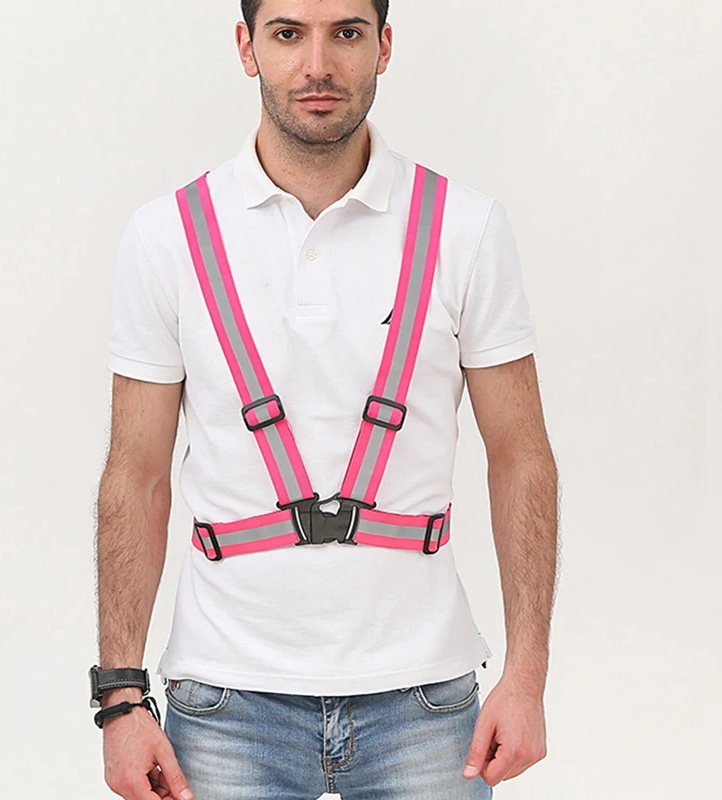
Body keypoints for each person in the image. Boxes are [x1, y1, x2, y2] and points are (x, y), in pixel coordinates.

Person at [92, 1, 558, 798]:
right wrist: (121, 698)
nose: (318, 65)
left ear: (384, 45)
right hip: (224, 697)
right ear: (247, 48)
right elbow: (134, 475)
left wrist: (527, 677)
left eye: (346, 32)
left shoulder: (464, 227)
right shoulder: (167, 236)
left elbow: (522, 457)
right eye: (287, 33)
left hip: (425, 695)